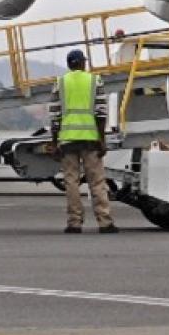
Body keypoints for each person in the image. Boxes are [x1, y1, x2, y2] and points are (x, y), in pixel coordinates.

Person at [50, 49, 117, 234]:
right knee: (97, 182)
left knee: (71, 182)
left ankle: (74, 223)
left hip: (67, 140)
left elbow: (54, 115)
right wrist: (102, 139)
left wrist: (55, 142)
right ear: (82, 63)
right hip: (90, 140)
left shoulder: (60, 83)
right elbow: (101, 112)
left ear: (69, 64)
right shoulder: (95, 81)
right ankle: (104, 222)